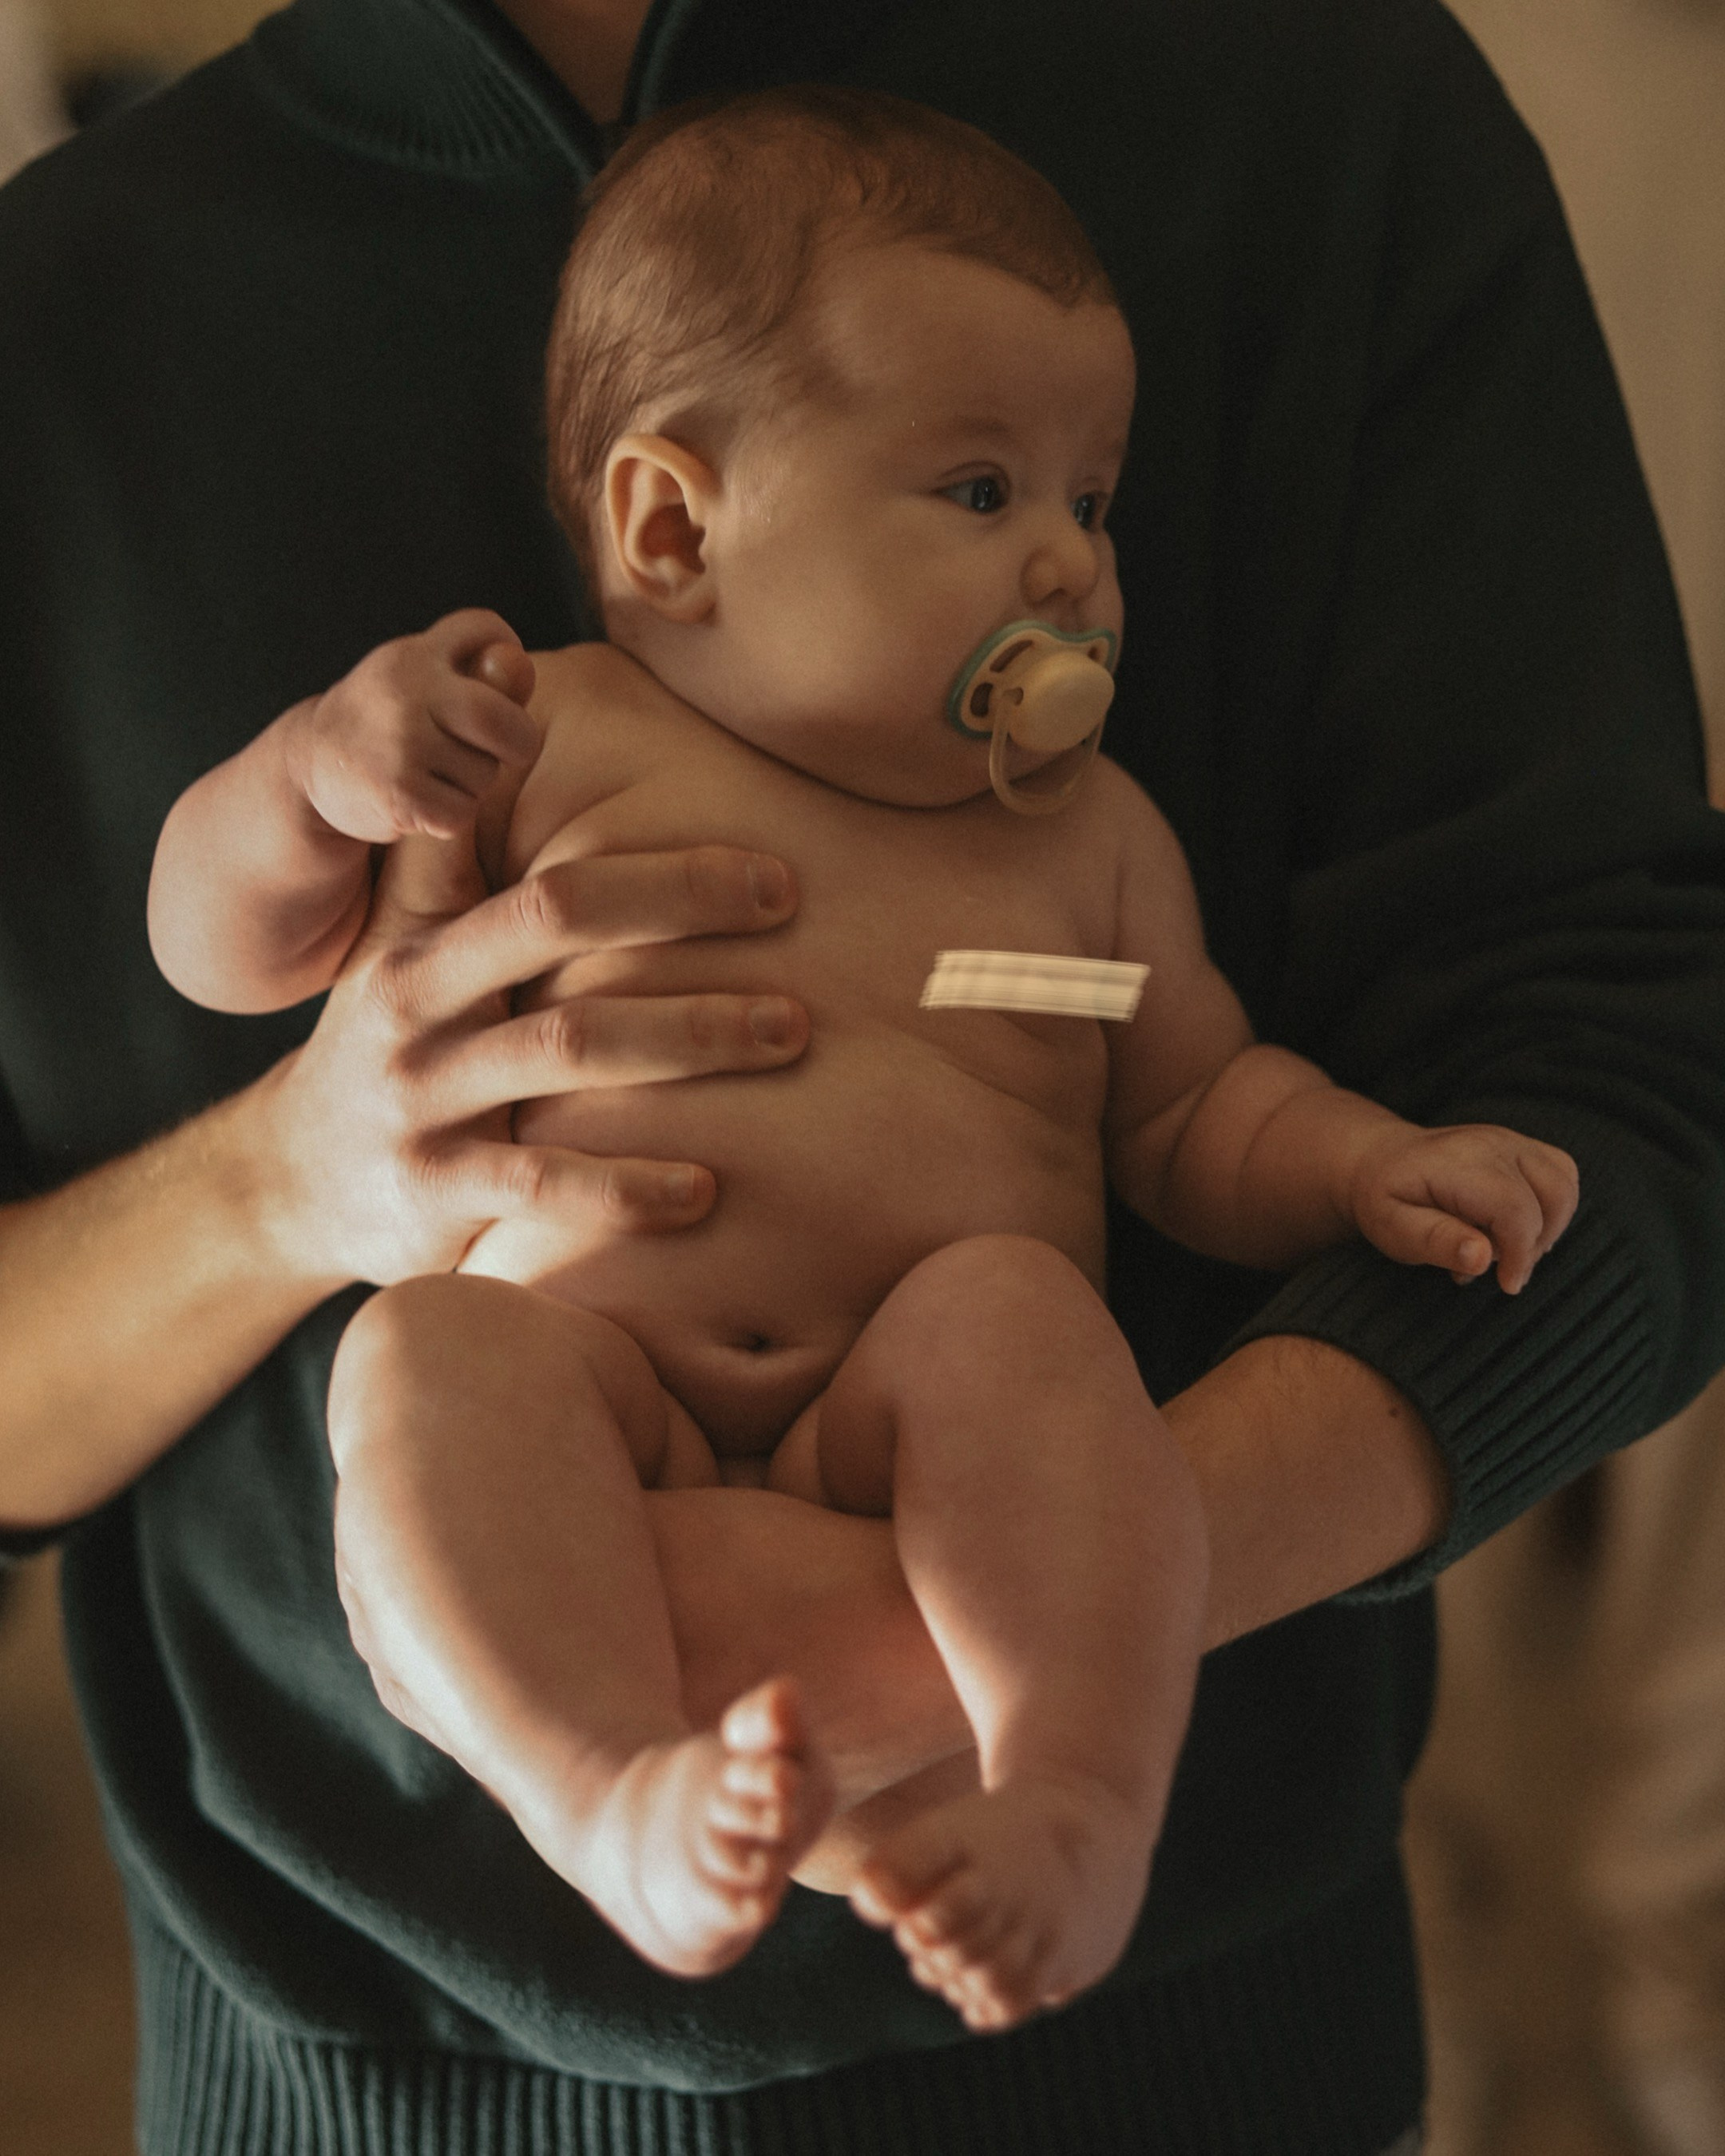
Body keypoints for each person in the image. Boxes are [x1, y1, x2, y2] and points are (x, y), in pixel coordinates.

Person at [2, 0, 1723, 2147]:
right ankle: (605, 1778)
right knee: (425, 1373)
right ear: (669, 530)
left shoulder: (1091, 833)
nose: (1075, 563)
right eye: (989, 489)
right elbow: (206, 930)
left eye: (1094, 498)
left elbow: (1219, 1108)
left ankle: (1067, 1797)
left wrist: (1364, 1175)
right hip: (379, 1986)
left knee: (1024, 1327)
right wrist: (296, 1014)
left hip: (1148, 2006)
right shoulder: (523, 709)